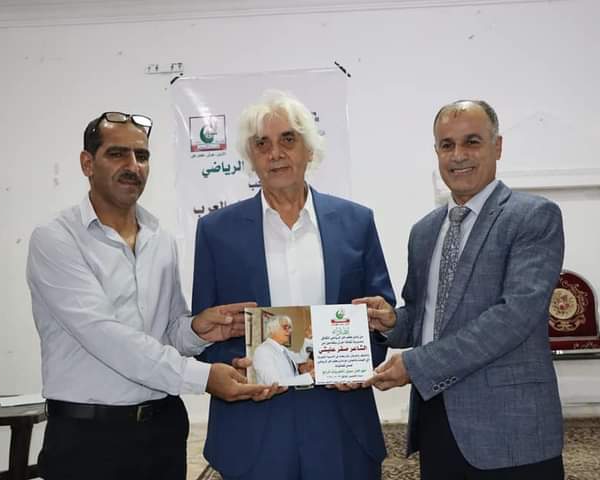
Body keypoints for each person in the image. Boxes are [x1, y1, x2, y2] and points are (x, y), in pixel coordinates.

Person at [27, 111, 272, 480]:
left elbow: (165, 333)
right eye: (117, 154)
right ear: (87, 163)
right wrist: (203, 376)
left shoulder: (160, 239)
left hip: (162, 431)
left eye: (141, 156)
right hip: (88, 439)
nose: (133, 166)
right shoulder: (57, 240)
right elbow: (106, 336)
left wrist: (197, 331)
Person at [357, 100, 565, 479]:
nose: (458, 155)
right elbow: (423, 313)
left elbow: (513, 318)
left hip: (512, 428)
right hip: (437, 420)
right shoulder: (425, 230)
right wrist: (391, 322)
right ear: (436, 152)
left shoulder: (533, 216)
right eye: (447, 145)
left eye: (472, 142)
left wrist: (415, 365)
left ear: (497, 146)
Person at [192, 92, 395, 480]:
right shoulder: (216, 232)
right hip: (254, 422)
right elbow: (206, 329)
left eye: (288, 139)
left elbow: (379, 314)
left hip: (340, 418)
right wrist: (236, 365)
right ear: (251, 157)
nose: (275, 153)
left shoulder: (356, 222)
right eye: (262, 144)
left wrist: (360, 357)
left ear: (309, 149)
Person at [252, 315, 313, 385]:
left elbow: (301, 358)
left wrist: (308, 338)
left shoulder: (283, 349)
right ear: (273, 329)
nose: (290, 331)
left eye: (290, 328)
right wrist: (309, 376)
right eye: (285, 327)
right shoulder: (262, 351)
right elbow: (274, 384)